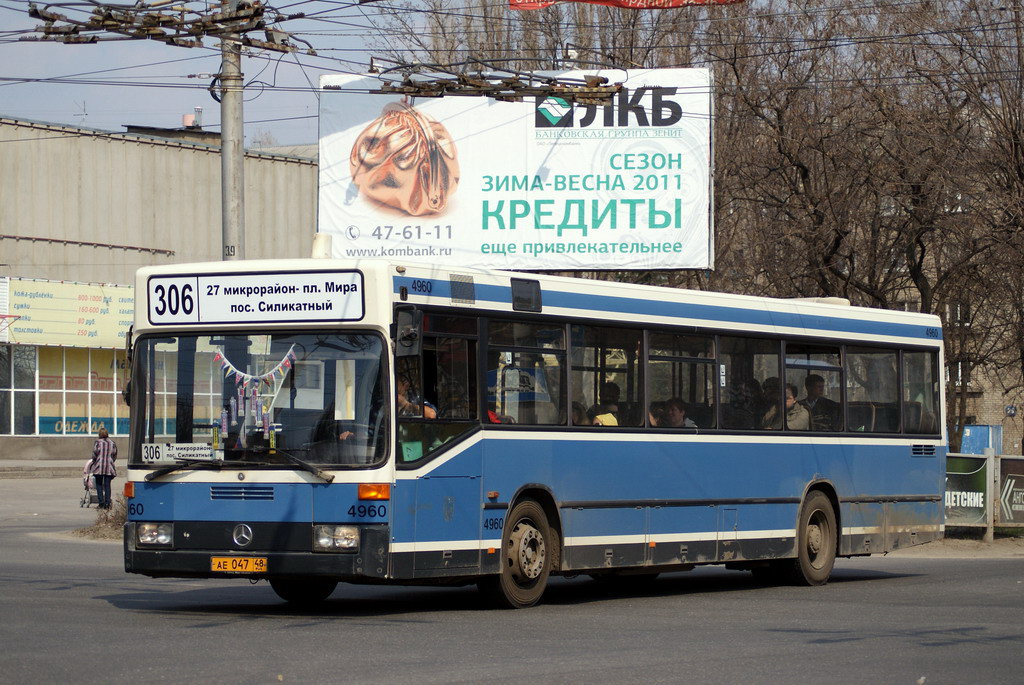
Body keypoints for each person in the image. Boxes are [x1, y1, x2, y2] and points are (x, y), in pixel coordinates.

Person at [88, 427, 117, 509]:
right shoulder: (112, 443)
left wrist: (94, 461)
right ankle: (107, 503)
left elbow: (94, 454)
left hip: (99, 467)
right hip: (109, 467)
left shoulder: (97, 442)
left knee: (99, 485)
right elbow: (114, 455)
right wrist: (111, 462)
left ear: (99, 434)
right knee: (107, 485)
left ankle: (101, 503)